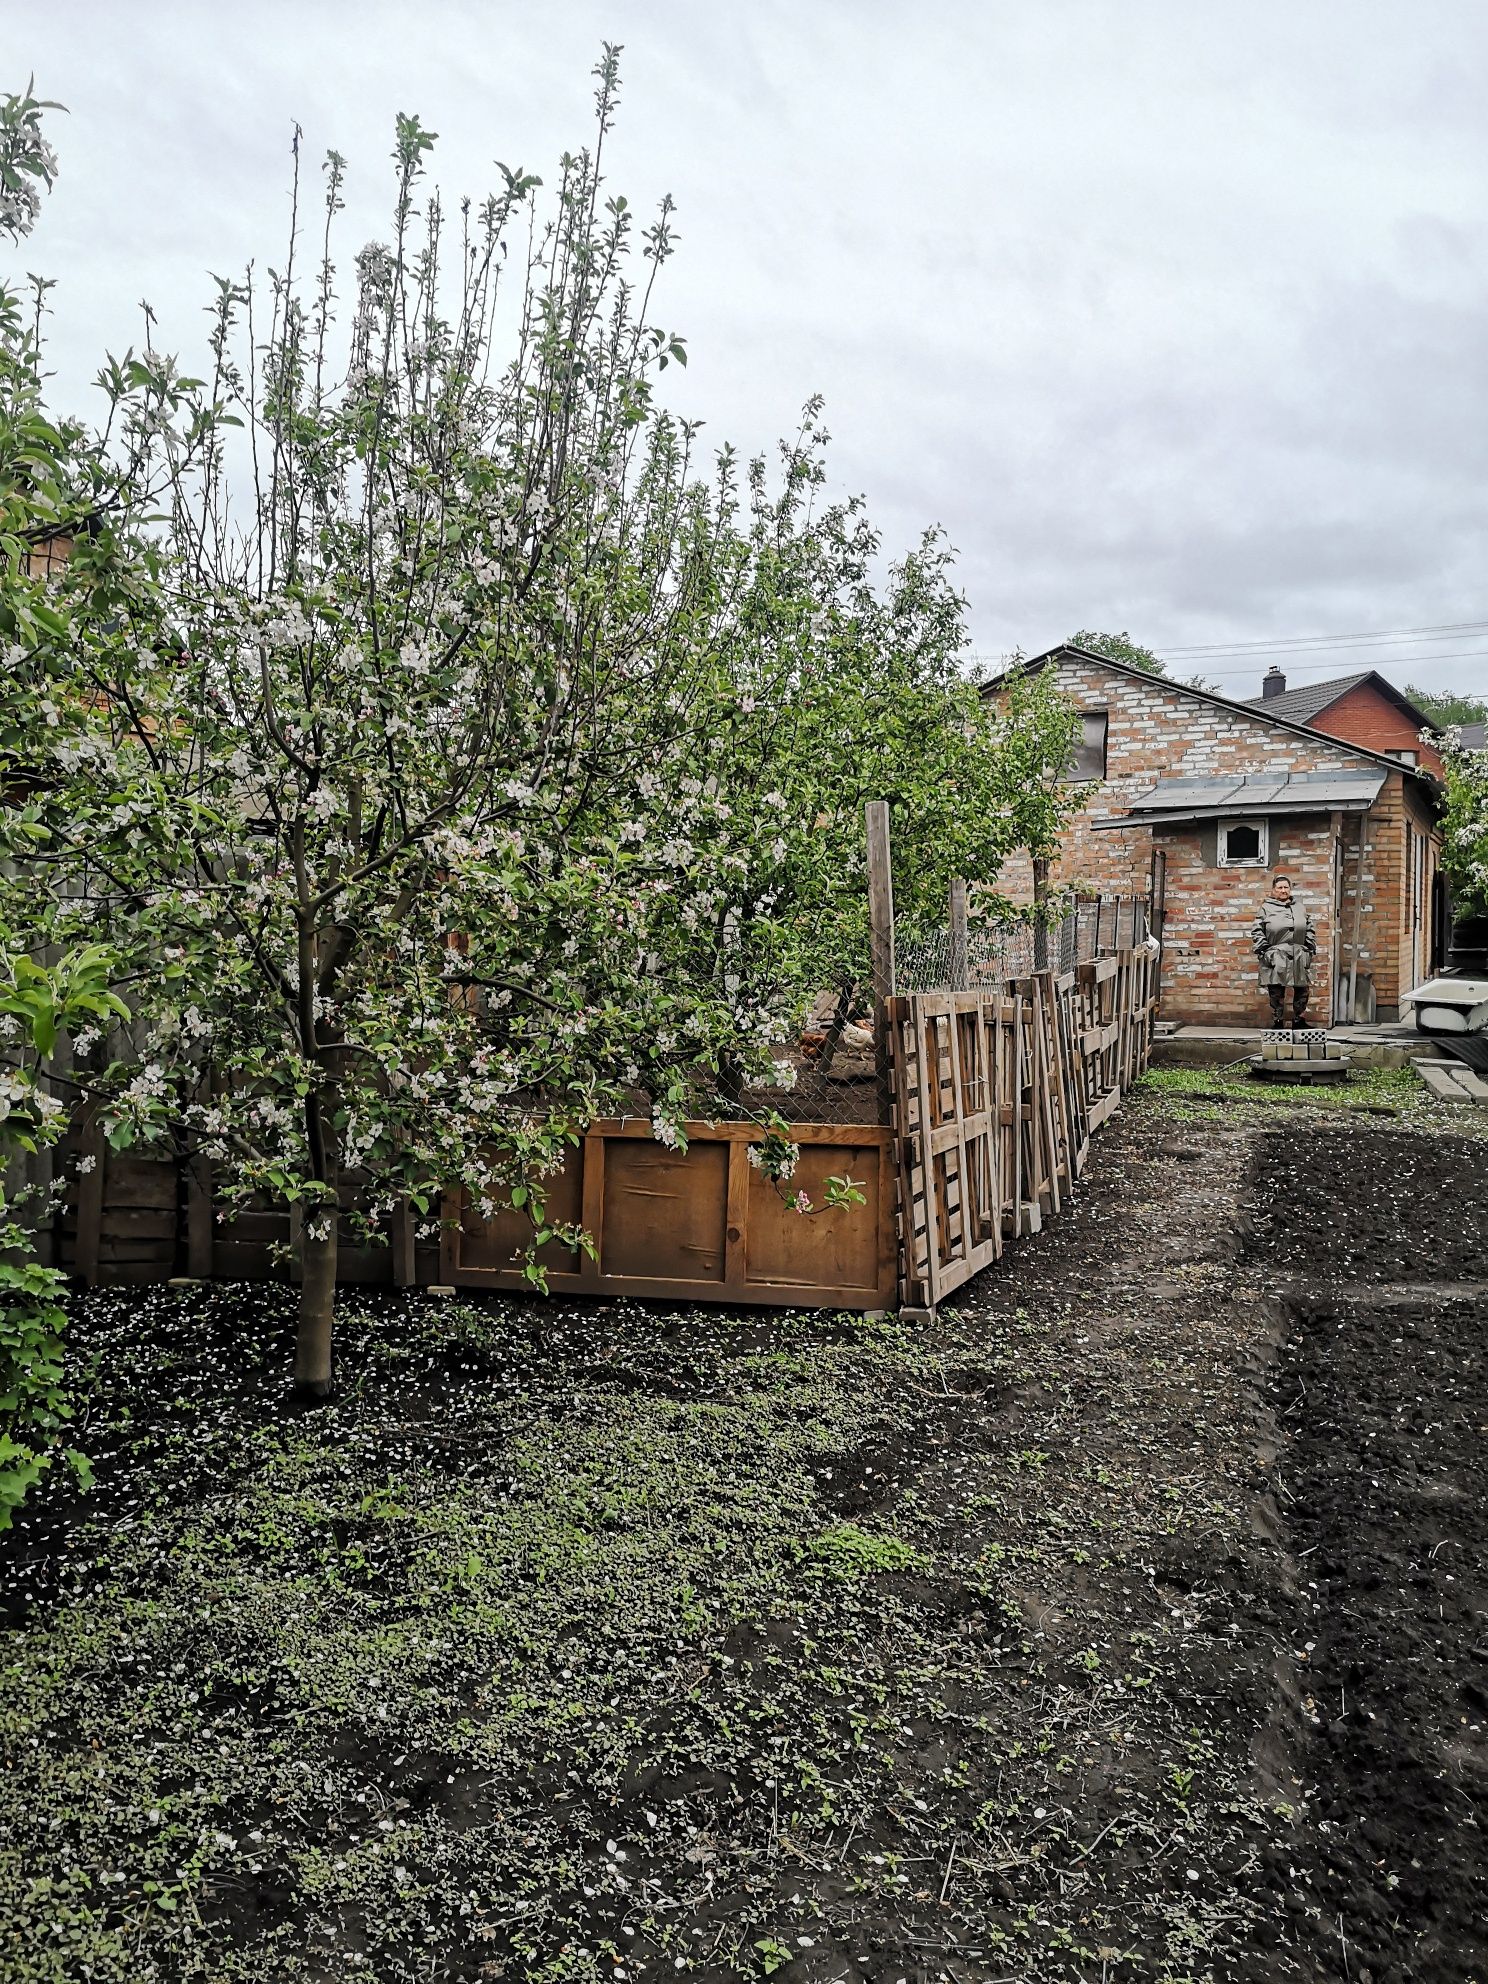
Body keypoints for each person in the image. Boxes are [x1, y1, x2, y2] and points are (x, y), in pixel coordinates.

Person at [1252, 871, 1317, 1026]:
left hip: (1299, 953)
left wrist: (1309, 946)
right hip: (1276, 954)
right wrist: (1265, 949)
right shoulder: (1266, 908)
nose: (1283, 890)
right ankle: (1278, 1021)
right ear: (1274, 890)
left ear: (1290, 889)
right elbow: (1257, 929)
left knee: (1302, 989)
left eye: (1286, 887)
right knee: (1276, 990)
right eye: (1280, 887)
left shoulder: (1299, 907)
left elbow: (1309, 927)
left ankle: (1299, 1020)